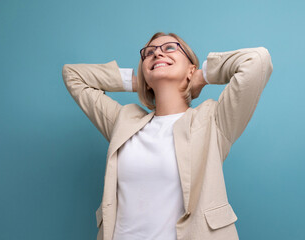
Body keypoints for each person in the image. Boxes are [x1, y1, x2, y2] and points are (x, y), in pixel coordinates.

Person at [62, 32, 273, 240]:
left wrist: (203, 76)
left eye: (169, 48)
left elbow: (257, 60)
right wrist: (139, 83)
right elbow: (72, 75)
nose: (157, 54)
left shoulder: (212, 121)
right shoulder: (124, 121)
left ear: (191, 68)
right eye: (149, 53)